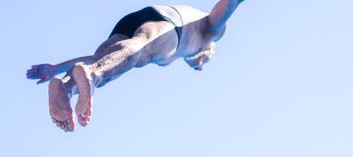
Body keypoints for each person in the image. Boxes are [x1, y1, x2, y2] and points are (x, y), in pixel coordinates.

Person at [26, 0, 246, 132]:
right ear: (208, 52)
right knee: (141, 52)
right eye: (205, 60)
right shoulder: (211, 34)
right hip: (171, 23)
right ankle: (93, 76)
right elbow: (228, 5)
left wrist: (56, 68)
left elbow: (101, 56)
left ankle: (65, 88)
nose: (200, 65)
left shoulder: (183, 50)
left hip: (135, 19)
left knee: (108, 57)